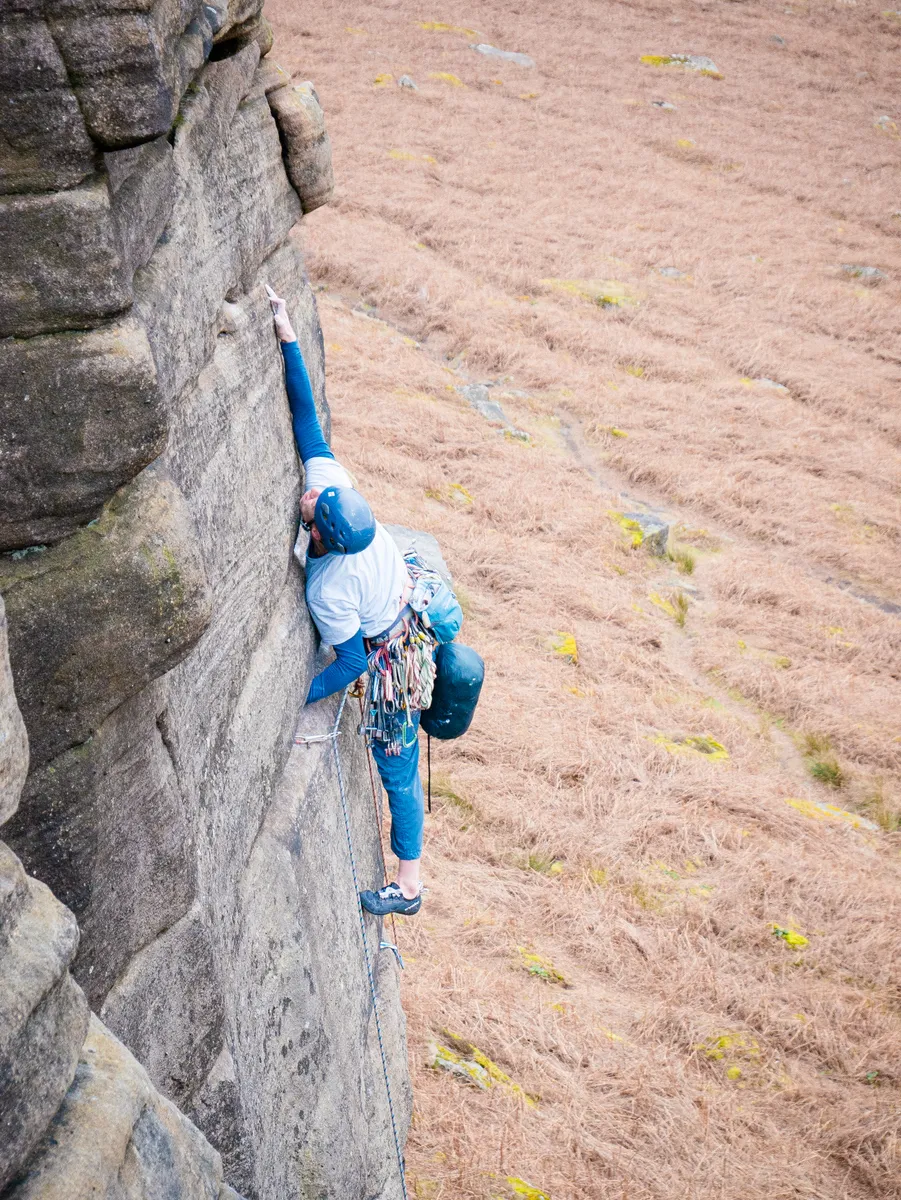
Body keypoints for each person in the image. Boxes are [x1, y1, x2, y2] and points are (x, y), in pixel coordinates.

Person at [267, 285, 426, 917]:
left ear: (322, 530)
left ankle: (408, 887)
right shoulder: (338, 491)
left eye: (311, 506)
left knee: (396, 768)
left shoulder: (329, 588)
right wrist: (287, 333)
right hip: (403, 611)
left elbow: (354, 664)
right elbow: (308, 423)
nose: (306, 495)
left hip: (392, 658)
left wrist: (296, 696)